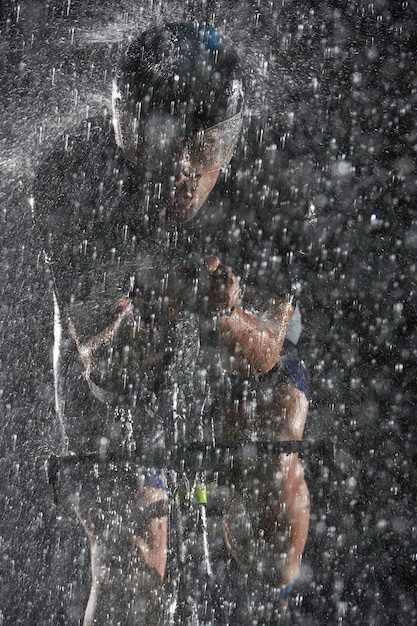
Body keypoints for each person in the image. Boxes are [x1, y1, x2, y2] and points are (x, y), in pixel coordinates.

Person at [34, 22, 310, 624]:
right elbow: (106, 374)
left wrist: (229, 316)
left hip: (223, 346)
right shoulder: (75, 177)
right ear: (123, 133)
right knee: (130, 559)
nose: (181, 168)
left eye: (202, 146)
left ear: (231, 142)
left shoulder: (275, 167)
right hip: (111, 355)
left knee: (276, 551)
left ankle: (241, 482)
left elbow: (266, 355)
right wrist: (157, 310)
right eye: (158, 143)